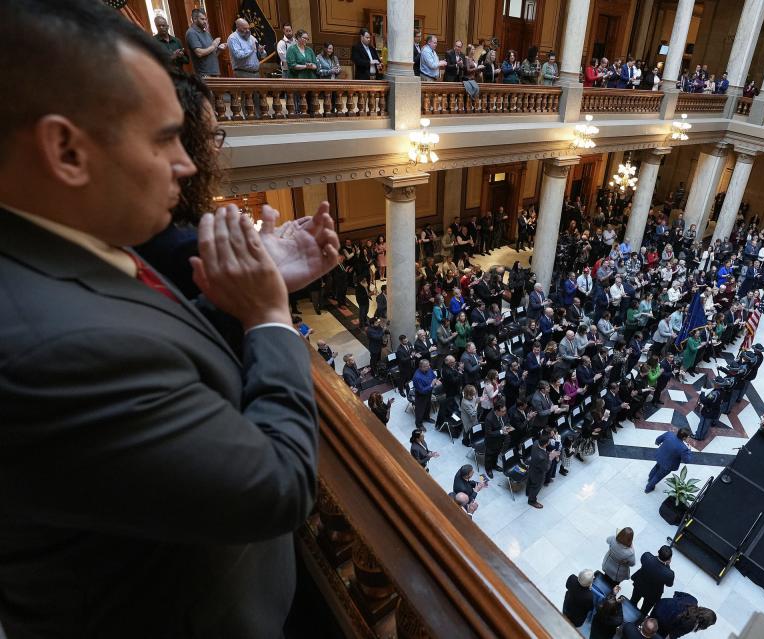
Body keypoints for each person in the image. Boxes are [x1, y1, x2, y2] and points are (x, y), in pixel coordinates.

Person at [0, 2, 335, 634]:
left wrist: (241, 293)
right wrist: (268, 315)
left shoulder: (72, 242)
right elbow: (281, 486)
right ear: (66, 150)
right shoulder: (48, 351)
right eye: (163, 140)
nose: (186, 165)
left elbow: (153, 343)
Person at [629, 545, 675, 618]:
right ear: (669, 560)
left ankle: (628, 614)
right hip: (652, 594)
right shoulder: (669, 574)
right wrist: (667, 566)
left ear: (658, 551)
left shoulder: (647, 556)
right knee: (644, 611)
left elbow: (643, 561)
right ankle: (638, 621)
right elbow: (669, 584)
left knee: (632, 602)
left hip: (639, 585)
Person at [645, 428, 693, 493]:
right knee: (658, 476)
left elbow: (658, 440)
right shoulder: (683, 448)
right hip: (667, 465)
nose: (688, 438)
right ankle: (648, 488)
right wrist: (689, 450)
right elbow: (687, 460)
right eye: (688, 437)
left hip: (660, 456)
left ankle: (650, 478)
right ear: (684, 437)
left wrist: (657, 443)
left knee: (656, 467)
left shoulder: (669, 434)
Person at [652, 592, 716, 638]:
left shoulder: (693, 600)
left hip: (659, 605)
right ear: (704, 624)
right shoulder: (690, 625)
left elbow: (676, 594)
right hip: (660, 621)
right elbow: (671, 636)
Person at [186, 7, 225, 77]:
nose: (205, 21)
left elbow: (212, 54)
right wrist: (214, 46)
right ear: (194, 19)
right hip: (204, 74)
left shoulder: (206, 33)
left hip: (215, 73)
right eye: (202, 19)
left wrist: (219, 49)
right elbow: (199, 53)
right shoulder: (191, 33)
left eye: (206, 19)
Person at [526, 434, 556, 508]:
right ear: (546, 444)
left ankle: (528, 493)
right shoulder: (541, 457)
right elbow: (546, 468)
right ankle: (532, 500)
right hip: (538, 474)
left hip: (532, 467)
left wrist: (548, 454)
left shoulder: (536, 442)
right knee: (536, 486)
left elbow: (543, 453)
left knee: (530, 481)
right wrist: (550, 458)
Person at [412, 358, 440, 429]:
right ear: (421, 367)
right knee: (420, 410)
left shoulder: (428, 369)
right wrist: (431, 385)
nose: (429, 367)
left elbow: (433, 376)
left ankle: (426, 417)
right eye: (427, 366)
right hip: (421, 396)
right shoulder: (417, 377)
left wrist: (436, 381)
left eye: (428, 365)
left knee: (428, 406)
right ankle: (419, 424)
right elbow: (422, 390)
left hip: (429, 392)